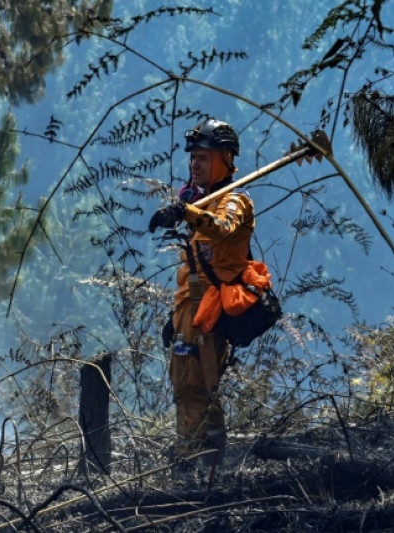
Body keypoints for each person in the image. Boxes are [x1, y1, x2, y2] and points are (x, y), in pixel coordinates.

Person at [148, 118, 254, 468]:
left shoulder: (235, 203)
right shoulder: (200, 201)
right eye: (193, 156)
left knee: (198, 388)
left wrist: (187, 212)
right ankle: (206, 464)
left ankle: (194, 463)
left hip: (212, 315)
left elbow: (222, 228)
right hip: (189, 311)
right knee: (185, 385)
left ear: (224, 159)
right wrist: (173, 318)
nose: (195, 164)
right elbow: (190, 271)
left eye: (204, 157)